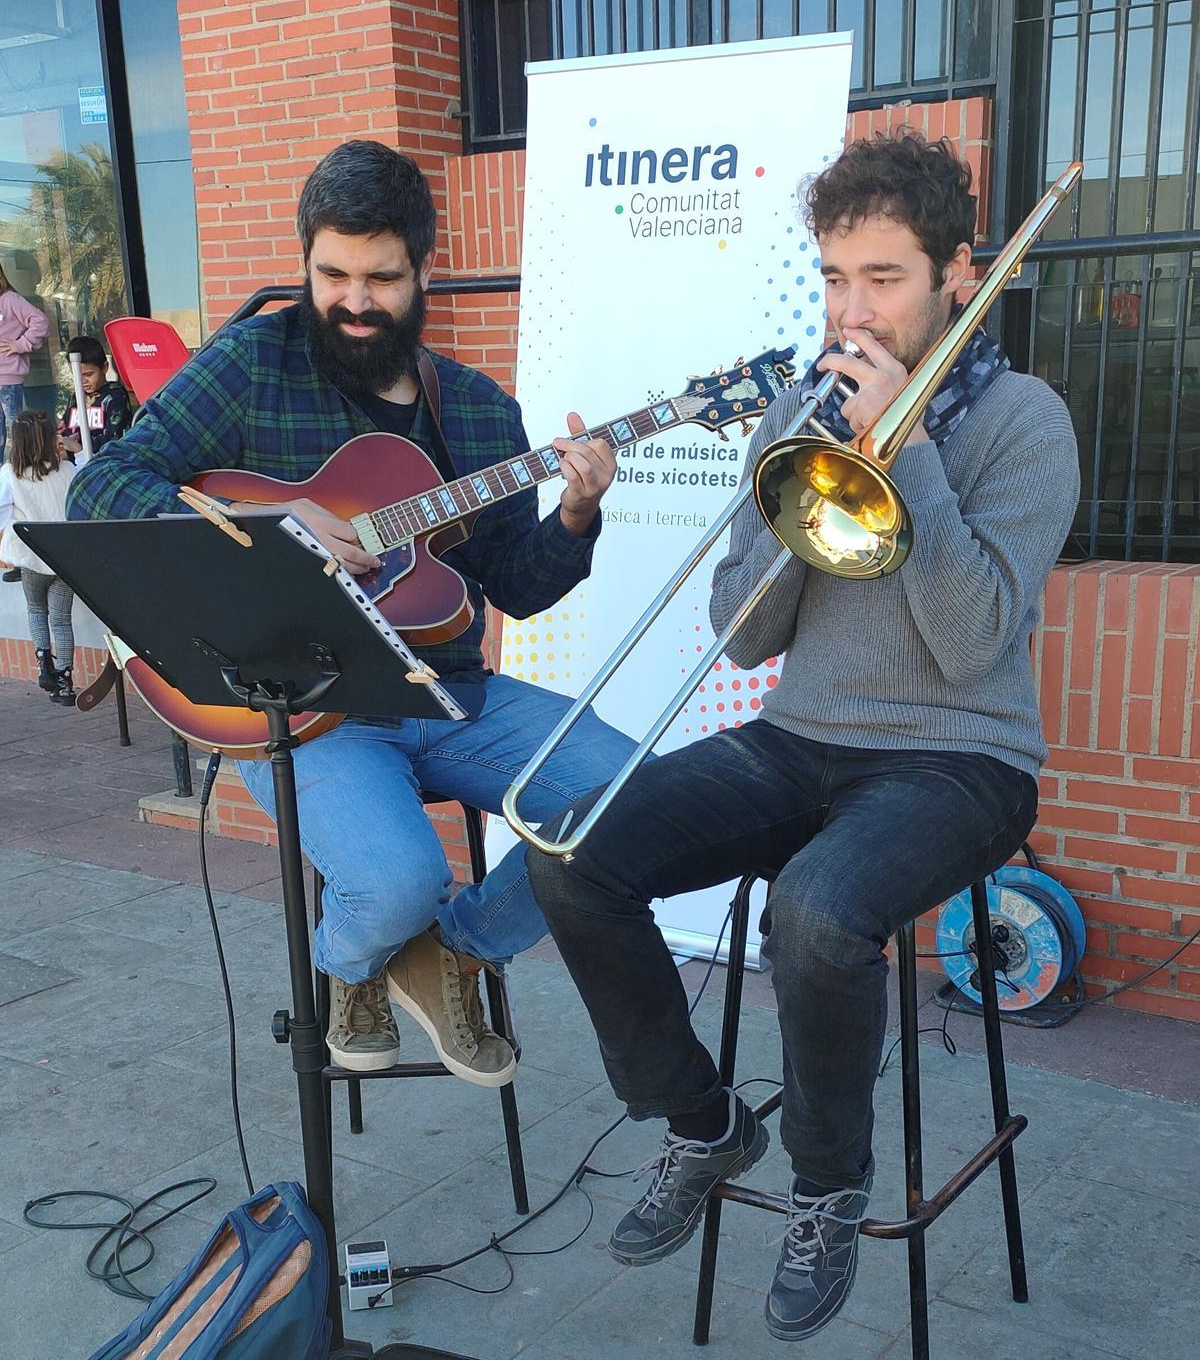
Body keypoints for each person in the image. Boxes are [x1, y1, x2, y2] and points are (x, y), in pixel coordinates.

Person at [526, 132, 1080, 1344]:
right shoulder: (801, 405)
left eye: (882, 277)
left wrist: (913, 455)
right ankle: (704, 1122)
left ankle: (826, 1186)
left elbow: (975, 637)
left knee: (819, 914)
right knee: (568, 854)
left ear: (955, 272)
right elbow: (742, 631)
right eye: (834, 278)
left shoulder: (1027, 423)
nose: (854, 308)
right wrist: (804, 477)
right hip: (802, 736)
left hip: (962, 757)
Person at [67, 139, 638, 1088]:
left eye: (381, 277)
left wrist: (578, 510)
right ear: (307, 262)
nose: (354, 299)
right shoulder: (253, 364)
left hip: (448, 691)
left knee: (633, 799)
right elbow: (105, 485)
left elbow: (522, 586)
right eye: (332, 273)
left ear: (424, 271)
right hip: (291, 697)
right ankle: (352, 961)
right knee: (395, 878)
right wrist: (267, 517)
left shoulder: (482, 412)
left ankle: (453, 946)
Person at [0, 411, 77, 705]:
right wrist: (75, 449)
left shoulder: (10, 474)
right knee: (62, 620)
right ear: (50, 440)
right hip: (65, 558)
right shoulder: (67, 470)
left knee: (36, 610)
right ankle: (66, 682)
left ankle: (44, 662)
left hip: (31, 556)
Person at [0, 260, 50, 460]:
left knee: (16, 430)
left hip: (8, 379)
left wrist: (21, 344)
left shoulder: (10, 299)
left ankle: (18, 468)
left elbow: (40, 321)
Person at [59, 334, 133, 456]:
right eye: (77, 375)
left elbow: (113, 439)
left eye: (89, 374)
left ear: (104, 367)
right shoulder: (76, 396)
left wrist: (76, 448)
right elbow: (63, 427)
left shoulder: (116, 396)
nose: (83, 381)